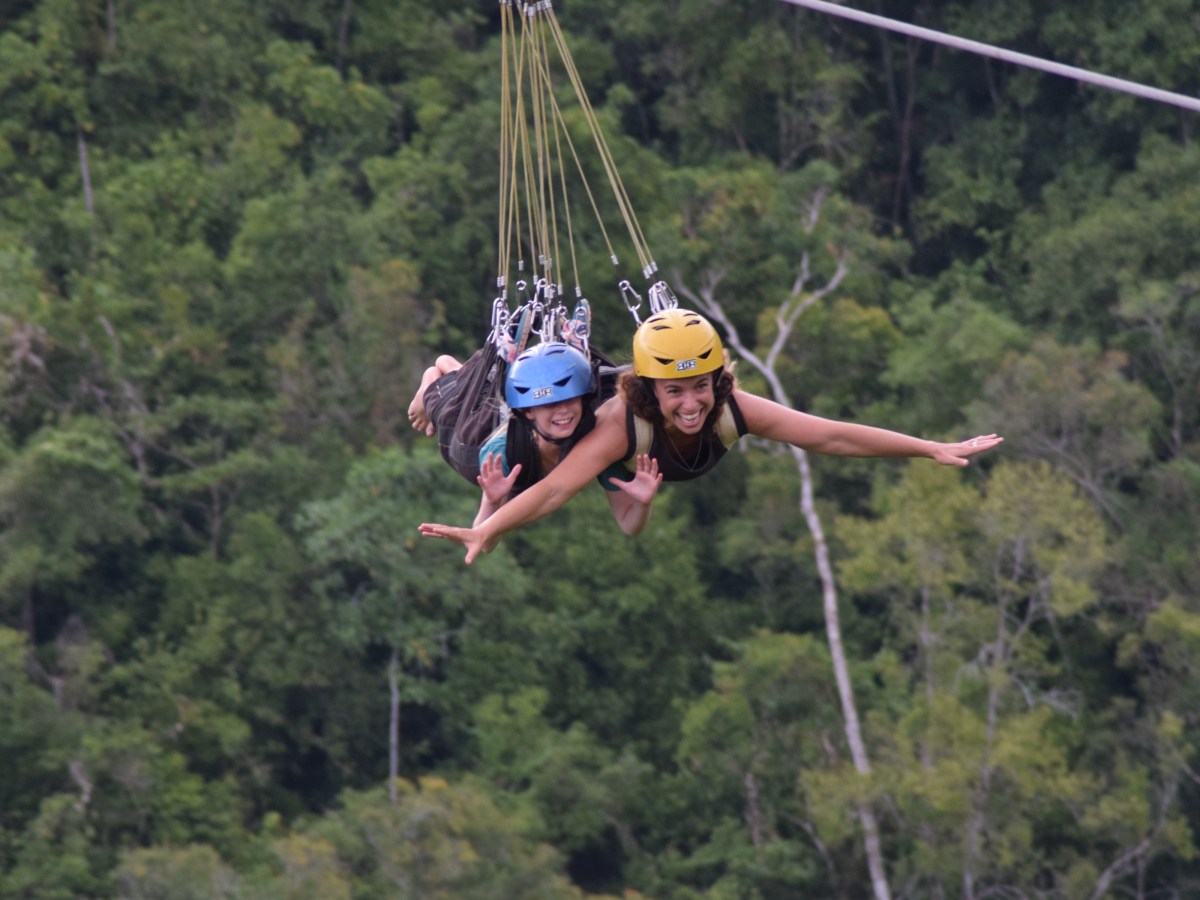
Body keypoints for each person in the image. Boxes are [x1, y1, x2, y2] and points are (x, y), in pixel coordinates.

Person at [419, 308, 1003, 563]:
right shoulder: (620, 425)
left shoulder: (732, 408)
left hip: (582, 443)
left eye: (700, 387)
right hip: (521, 436)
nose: (692, 403)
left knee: (564, 414)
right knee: (461, 413)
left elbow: (830, 437)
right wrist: (486, 528)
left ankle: (530, 358)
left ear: (717, 381)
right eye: (675, 392)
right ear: (651, 390)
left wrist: (927, 447)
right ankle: (442, 376)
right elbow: (552, 491)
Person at [408, 340, 663, 540]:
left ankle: (455, 368)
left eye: (569, 400)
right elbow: (484, 539)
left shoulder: (594, 444)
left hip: (499, 410)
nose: (562, 411)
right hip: (470, 439)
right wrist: (493, 500)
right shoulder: (499, 456)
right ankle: (432, 378)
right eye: (549, 405)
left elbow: (630, 525)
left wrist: (643, 503)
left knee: (474, 384)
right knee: (443, 403)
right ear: (529, 411)